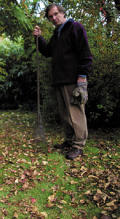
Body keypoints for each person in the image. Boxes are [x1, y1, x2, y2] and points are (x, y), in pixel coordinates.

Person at [33, 3, 93, 160]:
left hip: (73, 79)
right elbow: (47, 52)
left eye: (55, 14)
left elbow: (85, 54)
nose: (53, 18)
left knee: (76, 113)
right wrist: (38, 38)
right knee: (65, 114)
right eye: (50, 17)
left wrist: (82, 78)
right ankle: (69, 141)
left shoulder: (75, 27)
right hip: (59, 80)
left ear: (62, 12)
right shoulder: (57, 34)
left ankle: (78, 145)